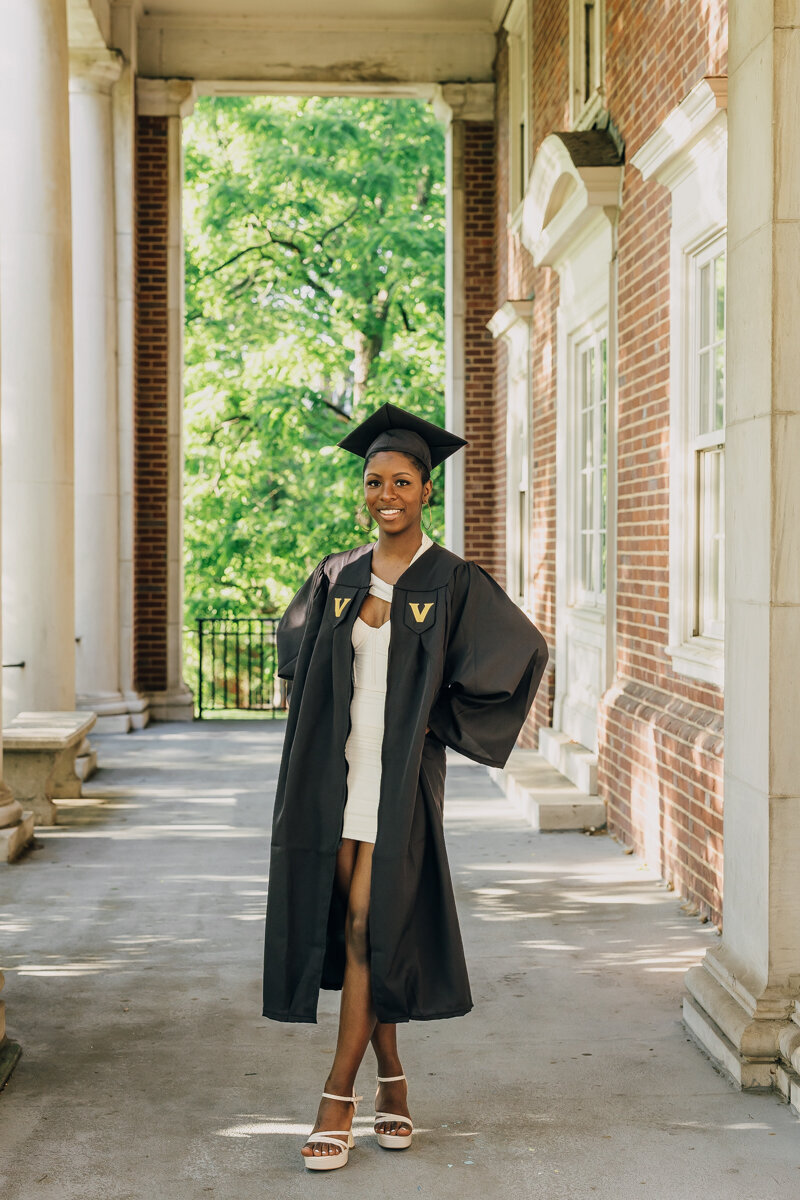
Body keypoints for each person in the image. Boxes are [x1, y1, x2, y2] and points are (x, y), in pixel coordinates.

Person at [262, 402, 548, 1171]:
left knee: (366, 926)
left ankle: (335, 1095)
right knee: (364, 933)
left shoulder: (453, 580)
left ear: (427, 490)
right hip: (336, 779)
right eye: (373, 481)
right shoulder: (337, 573)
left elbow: (520, 656)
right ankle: (393, 1081)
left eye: (401, 481)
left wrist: (434, 722)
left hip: (397, 787)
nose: (385, 493)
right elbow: (297, 665)